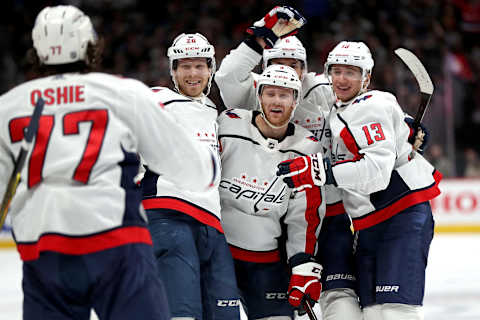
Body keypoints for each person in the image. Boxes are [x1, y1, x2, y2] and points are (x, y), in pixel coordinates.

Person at [0, 5, 220, 320]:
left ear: (36, 50)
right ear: (91, 45)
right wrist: (211, 164)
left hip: (44, 251)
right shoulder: (122, 92)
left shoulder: (9, 106)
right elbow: (193, 169)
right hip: (117, 245)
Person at [277, 41, 443, 320]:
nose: (342, 79)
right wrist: (405, 127)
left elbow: (377, 172)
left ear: (366, 77)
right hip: (369, 224)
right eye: (337, 71)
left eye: (351, 72)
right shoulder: (342, 107)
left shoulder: (370, 105)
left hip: (399, 216)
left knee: (395, 311)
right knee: (374, 312)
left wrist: (321, 171)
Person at [215, 6, 362, 319]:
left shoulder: (324, 89)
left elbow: (363, 109)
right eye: (277, 63)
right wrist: (259, 35)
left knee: (339, 294)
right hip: (277, 219)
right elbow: (226, 76)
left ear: (305, 69)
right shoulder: (254, 96)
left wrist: (401, 124)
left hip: (329, 210)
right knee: (283, 304)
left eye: (294, 65)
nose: (286, 71)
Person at [139, 33, 241, 319]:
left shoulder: (212, 111)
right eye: (185, 66)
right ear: (173, 71)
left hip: (212, 224)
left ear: (211, 69)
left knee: (226, 314)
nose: (193, 73)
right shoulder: (157, 100)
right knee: (182, 313)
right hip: (168, 216)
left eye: (200, 66)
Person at [218, 64, 324, 320]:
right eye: (270, 93)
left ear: (296, 100)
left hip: (267, 264)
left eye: (285, 94)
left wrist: (303, 263)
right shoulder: (228, 125)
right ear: (259, 96)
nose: (277, 101)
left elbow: (305, 215)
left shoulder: (307, 147)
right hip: (219, 257)